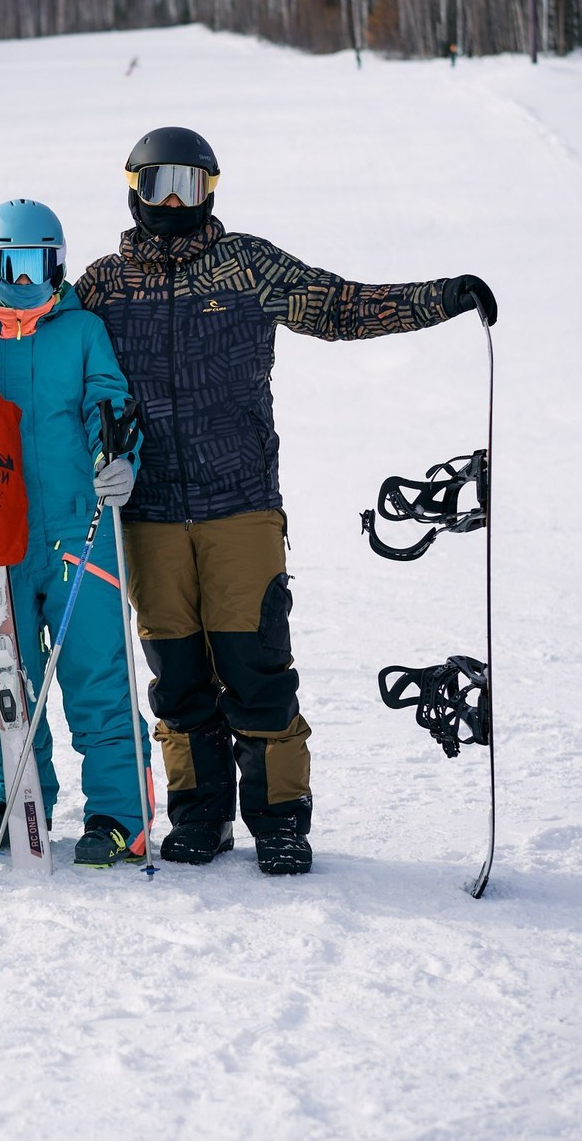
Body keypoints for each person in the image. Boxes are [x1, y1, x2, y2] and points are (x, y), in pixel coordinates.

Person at [75, 126, 498, 876]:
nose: (174, 199)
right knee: (176, 675)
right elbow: (38, 344)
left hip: (239, 502)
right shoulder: (103, 286)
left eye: (191, 184)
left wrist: (441, 298)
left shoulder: (246, 265)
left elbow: (339, 306)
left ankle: (278, 819)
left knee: (256, 665)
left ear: (212, 190)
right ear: (132, 187)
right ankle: (200, 814)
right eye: (158, 183)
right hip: (145, 511)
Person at [0, 199, 152, 866]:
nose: (25, 280)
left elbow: (107, 404)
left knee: (97, 674)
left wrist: (116, 460)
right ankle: (15, 793)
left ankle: (119, 814)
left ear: (57, 262)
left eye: (38, 264)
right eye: (12, 264)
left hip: (74, 528)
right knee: (2, 676)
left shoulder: (82, 330)